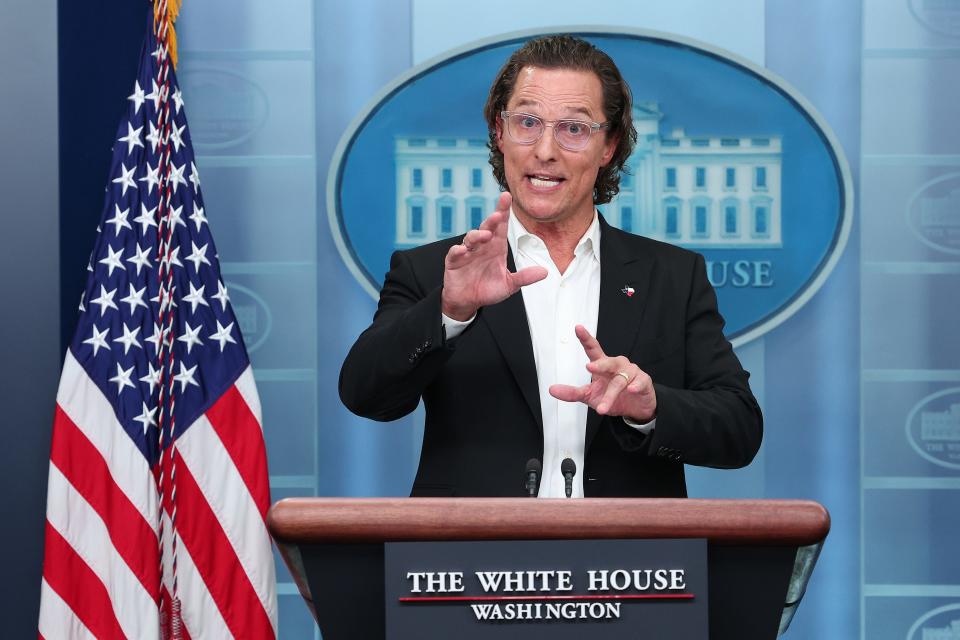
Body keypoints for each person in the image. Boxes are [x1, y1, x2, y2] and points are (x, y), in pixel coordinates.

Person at [339, 35, 762, 498]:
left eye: (574, 128)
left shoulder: (672, 277)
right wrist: (450, 311)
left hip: (630, 563)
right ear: (499, 133)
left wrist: (651, 407)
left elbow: (739, 429)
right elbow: (365, 396)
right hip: (471, 560)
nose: (545, 150)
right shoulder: (433, 271)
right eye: (527, 122)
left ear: (609, 146)